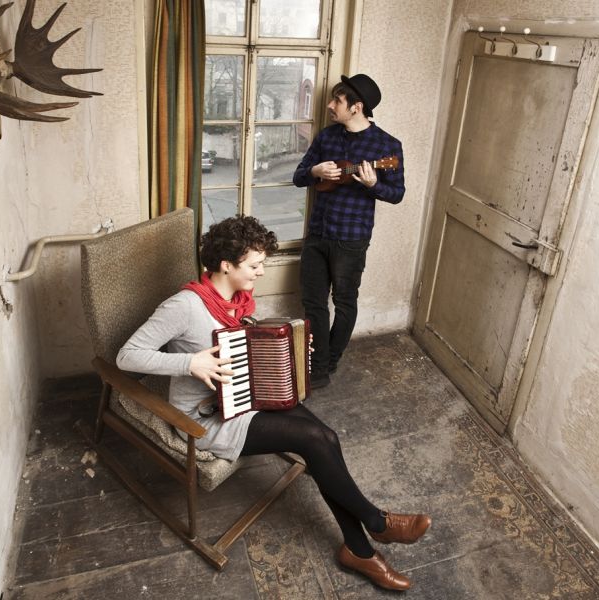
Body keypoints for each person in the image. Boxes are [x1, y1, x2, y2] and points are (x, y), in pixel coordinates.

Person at [117, 215, 430, 591]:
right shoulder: (183, 307)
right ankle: (376, 524)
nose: (261, 272)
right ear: (226, 265)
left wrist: (293, 351)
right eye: (254, 265)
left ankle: (359, 549)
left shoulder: (237, 300)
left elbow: (249, 348)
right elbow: (127, 356)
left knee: (326, 439)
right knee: (313, 441)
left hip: (246, 395)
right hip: (208, 418)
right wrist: (190, 362)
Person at [293, 74, 406, 389]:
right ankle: (317, 368)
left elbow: (397, 194)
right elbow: (299, 176)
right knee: (313, 302)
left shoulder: (387, 146)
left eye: (337, 101)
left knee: (344, 302)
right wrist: (314, 171)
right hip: (318, 233)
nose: (330, 105)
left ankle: (328, 362)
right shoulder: (326, 137)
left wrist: (374, 184)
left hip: (351, 238)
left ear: (357, 107)